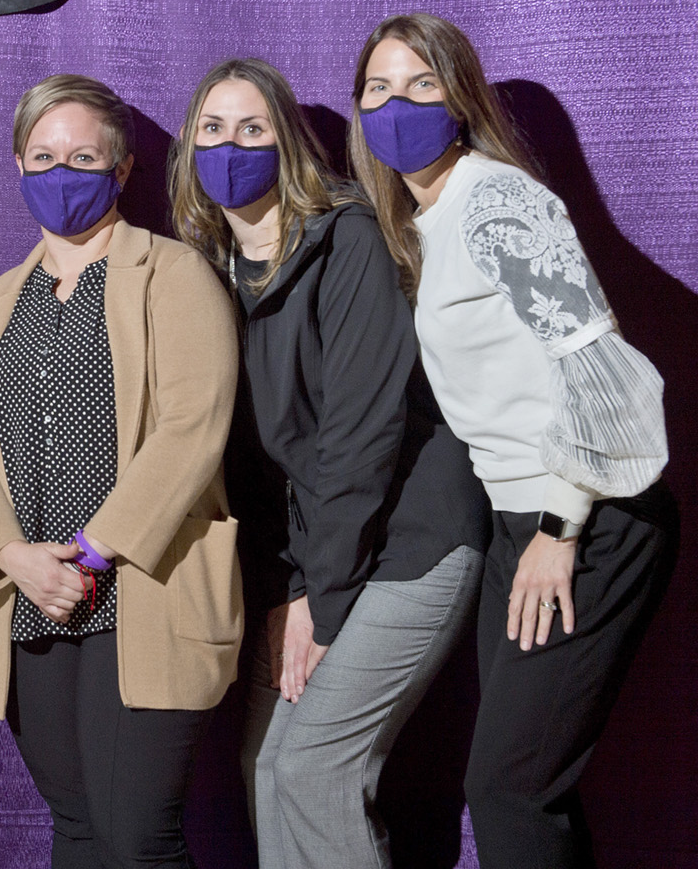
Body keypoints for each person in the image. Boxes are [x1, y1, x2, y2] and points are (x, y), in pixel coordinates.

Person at [349, 13, 677, 869]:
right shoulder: (431, 218)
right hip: (518, 519)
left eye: (423, 84)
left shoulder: (496, 200)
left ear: (460, 101)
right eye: (379, 88)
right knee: (524, 786)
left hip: (581, 514)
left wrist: (558, 530)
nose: (398, 104)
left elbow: (605, 371)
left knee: (510, 788)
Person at [168, 57, 489, 868]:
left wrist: (321, 596)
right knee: (266, 766)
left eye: (252, 129)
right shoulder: (207, 274)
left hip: (409, 542)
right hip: (316, 561)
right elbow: (250, 474)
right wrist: (285, 594)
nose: (230, 146)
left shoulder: (346, 238)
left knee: (313, 769)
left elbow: (358, 441)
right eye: (212, 130)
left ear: (288, 146)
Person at [0, 74, 240, 869]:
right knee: (74, 827)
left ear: (123, 169)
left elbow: (192, 429)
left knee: (137, 833)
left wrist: (92, 554)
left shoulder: (173, 275)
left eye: (82, 156)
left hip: (139, 588)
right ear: (17, 163)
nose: (60, 171)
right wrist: (15, 560)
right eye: (43, 155)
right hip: (34, 598)